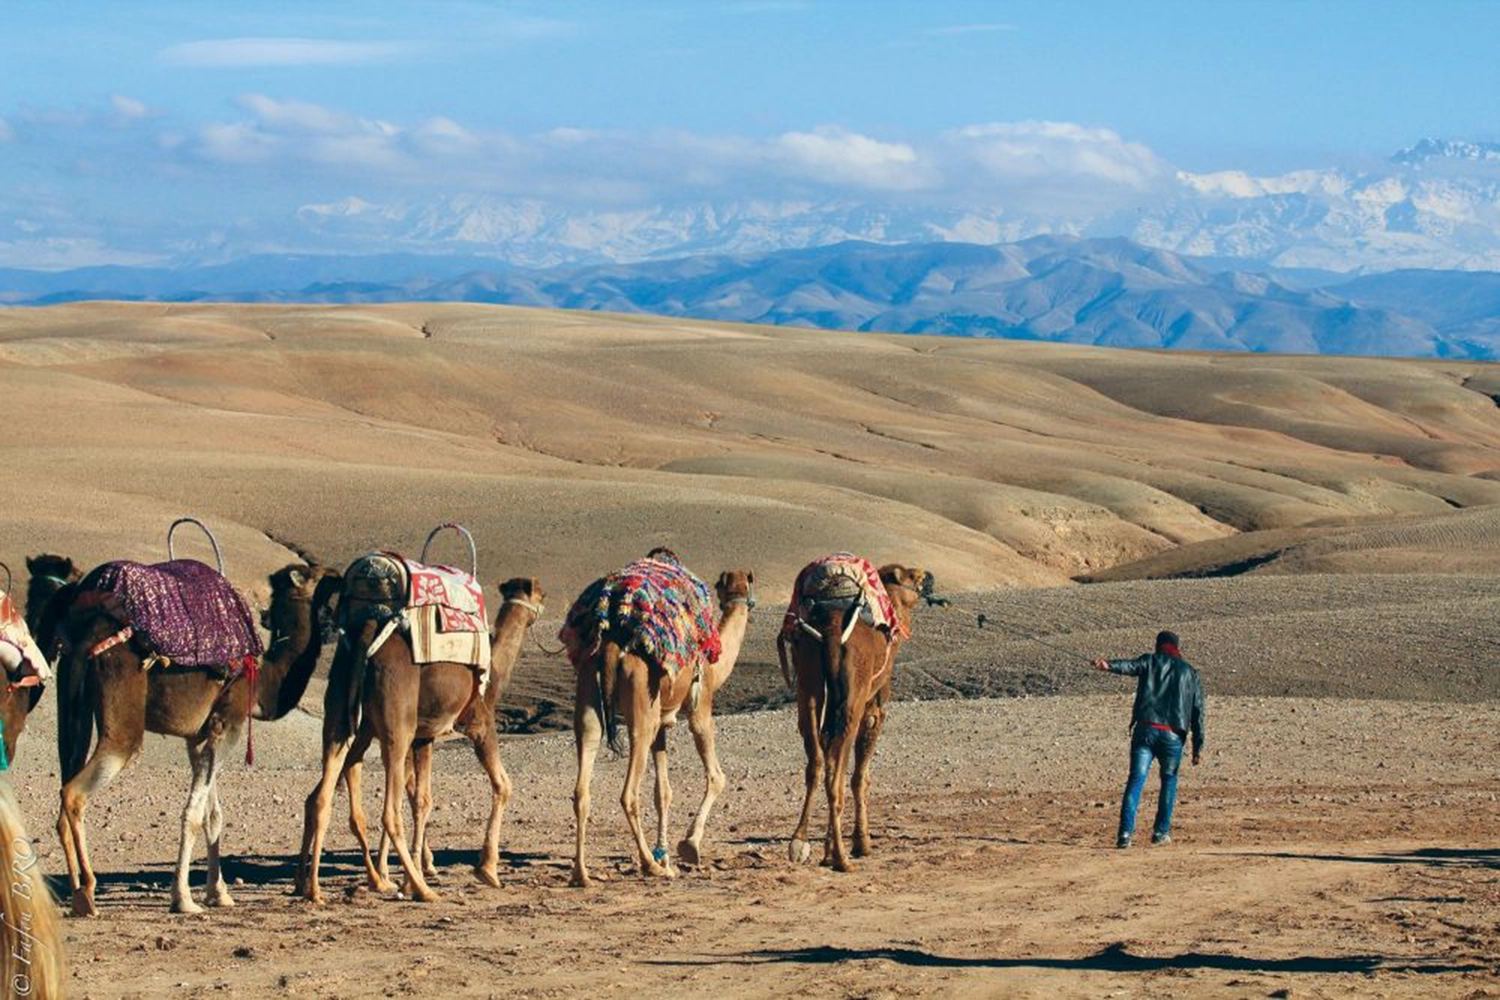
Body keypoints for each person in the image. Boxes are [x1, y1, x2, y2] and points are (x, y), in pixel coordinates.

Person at [1092, 630, 1205, 848]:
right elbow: (1198, 711)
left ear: (1159, 646)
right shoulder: (1190, 673)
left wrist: (1107, 665)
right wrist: (1198, 745)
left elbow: (1129, 666)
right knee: (1169, 781)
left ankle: (1125, 834)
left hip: (1145, 730)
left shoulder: (1150, 661)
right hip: (1173, 734)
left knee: (1136, 779)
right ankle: (1161, 832)